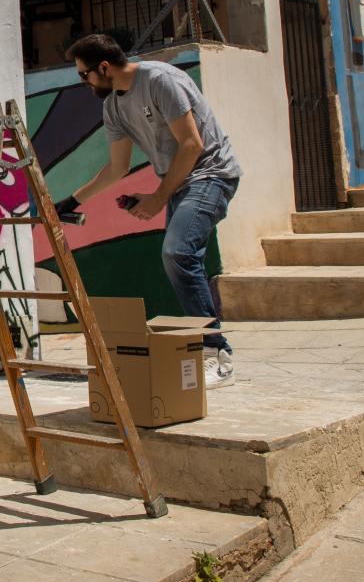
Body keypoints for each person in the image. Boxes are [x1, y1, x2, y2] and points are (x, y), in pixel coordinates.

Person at [51, 34, 240, 387]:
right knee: (180, 257)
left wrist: (157, 198)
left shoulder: (160, 80)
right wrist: (74, 200)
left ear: (104, 68)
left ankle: (217, 354)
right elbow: (117, 168)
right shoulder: (113, 108)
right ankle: (208, 348)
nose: (83, 82)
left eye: (84, 75)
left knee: (178, 252)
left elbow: (192, 144)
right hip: (181, 183)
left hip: (212, 174)